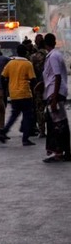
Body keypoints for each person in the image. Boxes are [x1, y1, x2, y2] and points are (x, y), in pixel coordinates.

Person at [0, 44, 37, 146]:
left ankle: (4, 131)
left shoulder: (10, 63)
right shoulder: (28, 64)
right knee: (27, 116)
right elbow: (33, 79)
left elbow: (2, 77)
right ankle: (25, 139)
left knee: (14, 115)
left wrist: (6, 88)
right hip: (25, 94)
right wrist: (34, 90)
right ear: (25, 53)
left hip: (14, 94)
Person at [40, 33, 70, 162]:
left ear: (45, 43)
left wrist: (54, 99)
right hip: (55, 92)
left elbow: (57, 76)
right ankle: (64, 152)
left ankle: (59, 153)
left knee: (57, 124)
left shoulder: (53, 57)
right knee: (58, 123)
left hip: (55, 93)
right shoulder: (55, 55)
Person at [30, 35, 48, 138]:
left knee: (39, 108)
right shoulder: (50, 55)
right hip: (49, 84)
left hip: (38, 85)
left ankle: (42, 131)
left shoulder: (33, 57)